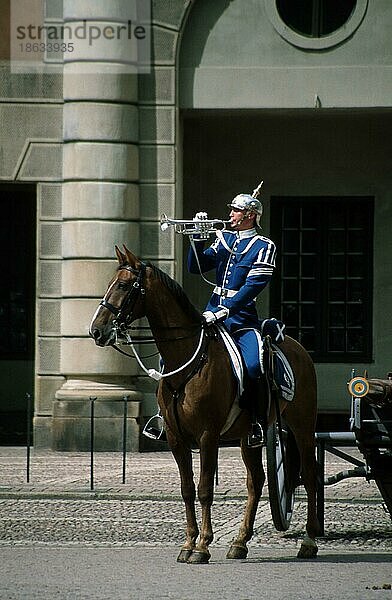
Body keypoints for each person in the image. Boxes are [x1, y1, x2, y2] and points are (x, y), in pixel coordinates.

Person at [187, 192, 278, 446]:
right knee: (174, 354)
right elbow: (195, 267)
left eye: (235, 211)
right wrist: (197, 235)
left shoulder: (264, 246)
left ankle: (258, 422)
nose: (230, 215)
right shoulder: (225, 239)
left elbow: (254, 285)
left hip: (241, 318)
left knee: (252, 365)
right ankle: (167, 416)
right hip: (210, 312)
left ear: (249, 216)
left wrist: (225, 309)